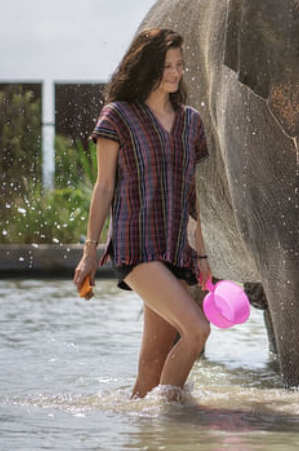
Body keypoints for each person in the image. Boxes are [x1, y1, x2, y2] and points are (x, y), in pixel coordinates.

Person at [73, 27, 212, 399]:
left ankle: (142, 421)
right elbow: (104, 187)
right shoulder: (118, 116)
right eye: (167, 66)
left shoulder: (191, 122)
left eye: (179, 65)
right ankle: (167, 415)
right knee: (197, 330)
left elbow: (191, 196)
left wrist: (201, 254)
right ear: (147, 66)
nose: (176, 73)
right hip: (136, 247)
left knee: (152, 365)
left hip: (175, 250)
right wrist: (90, 251)